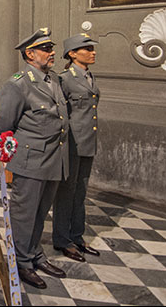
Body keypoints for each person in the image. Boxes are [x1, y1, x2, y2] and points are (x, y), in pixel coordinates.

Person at [0, 27, 70, 290]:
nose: (52, 53)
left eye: (51, 48)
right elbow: (4, 123)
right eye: (46, 49)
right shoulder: (18, 84)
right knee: (24, 213)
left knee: (40, 213)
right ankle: (22, 261)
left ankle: (36, 254)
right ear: (30, 54)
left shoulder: (54, 80)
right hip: (30, 158)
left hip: (54, 158)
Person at [53, 33, 102, 262]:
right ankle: (63, 240)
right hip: (71, 145)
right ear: (72, 54)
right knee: (66, 193)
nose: (92, 52)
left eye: (92, 49)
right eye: (87, 49)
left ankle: (77, 236)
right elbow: (60, 115)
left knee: (80, 193)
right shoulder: (65, 79)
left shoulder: (89, 76)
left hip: (87, 144)